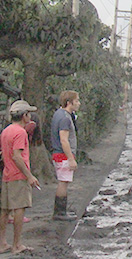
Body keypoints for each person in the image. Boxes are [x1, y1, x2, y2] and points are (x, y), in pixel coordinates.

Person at [0, 100, 40, 254]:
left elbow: (5, 155)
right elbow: (17, 156)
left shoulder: (6, 131)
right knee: (19, 208)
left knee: (4, 209)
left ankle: (2, 243)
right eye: (28, 114)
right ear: (24, 116)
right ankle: (17, 244)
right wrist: (29, 176)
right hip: (18, 175)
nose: (30, 117)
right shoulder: (20, 132)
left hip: (7, 175)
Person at [51, 90, 81, 221]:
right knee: (63, 182)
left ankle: (61, 211)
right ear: (69, 102)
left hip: (59, 154)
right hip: (63, 155)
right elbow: (64, 140)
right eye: (77, 101)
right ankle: (60, 212)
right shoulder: (64, 118)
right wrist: (70, 158)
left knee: (63, 181)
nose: (79, 103)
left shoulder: (59, 114)